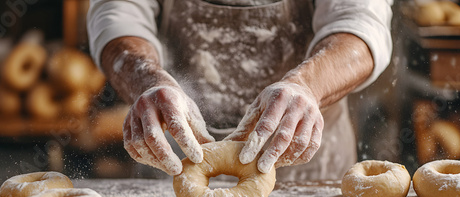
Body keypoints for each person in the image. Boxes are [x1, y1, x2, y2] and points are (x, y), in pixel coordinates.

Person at [87, 0, 393, 181]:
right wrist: (147, 80)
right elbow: (119, 13)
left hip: (307, 171)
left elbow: (361, 23)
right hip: (172, 163)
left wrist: (306, 86)